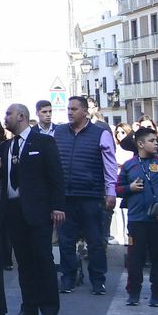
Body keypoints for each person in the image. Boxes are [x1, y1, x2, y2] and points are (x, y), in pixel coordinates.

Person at [0, 104, 64, 315]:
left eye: (8, 114)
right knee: (23, 262)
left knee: (43, 259)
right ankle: (29, 307)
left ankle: (49, 309)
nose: (5, 118)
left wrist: (57, 206)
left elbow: (55, 175)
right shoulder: (6, 146)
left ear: (21, 116)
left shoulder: (43, 142)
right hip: (14, 211)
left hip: (37, 211)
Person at [52, 95, 118, 294]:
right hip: (65, 197)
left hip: (90, 196)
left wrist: (110, 191)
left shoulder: (100, 134)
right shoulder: (59, 132)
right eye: (68, 109)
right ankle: (68, 277)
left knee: (96, 241)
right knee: (65, 241)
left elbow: (110, 165)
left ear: (84, 111)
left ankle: (98, 279)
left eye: (74, 109)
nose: (70, 112)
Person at [119, 126, 158, 307]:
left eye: (156, 140)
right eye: (152, 141)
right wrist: (130, 189)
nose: (156, 143)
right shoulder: (129, 165)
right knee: (135, 258)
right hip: (136, 220)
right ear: (140, 144)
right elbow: (118, 188)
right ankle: (133, 292)